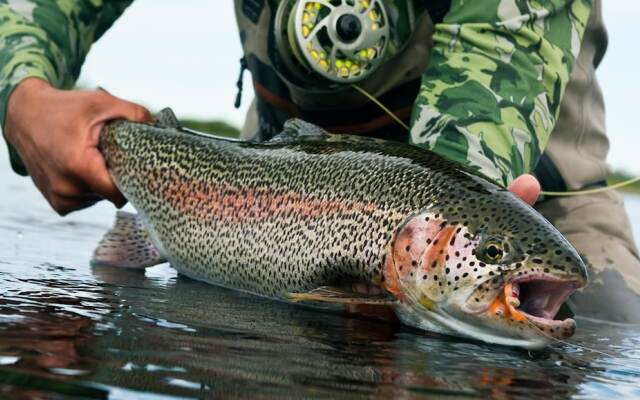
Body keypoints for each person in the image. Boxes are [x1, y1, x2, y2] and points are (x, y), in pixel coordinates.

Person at [0, 0, 638, 322]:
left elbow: (497, 56)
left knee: (598, 335)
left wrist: (437, 256)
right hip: (265, 180)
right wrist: (22, 95)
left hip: (529, 195)